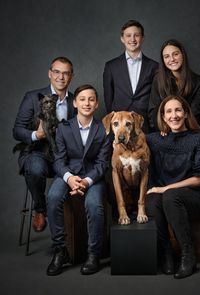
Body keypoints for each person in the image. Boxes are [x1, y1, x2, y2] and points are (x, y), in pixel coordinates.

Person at [146, 95, 200, 279]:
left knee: (169, 195)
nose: (173, 115)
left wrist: (164, 189)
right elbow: (131, 140)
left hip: (197, 200)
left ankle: (188, 255)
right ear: (162, 116)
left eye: (178, 110)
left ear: (185, 113)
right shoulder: (155, 140)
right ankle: (167, 254)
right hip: (166, 200)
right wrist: (116, 142)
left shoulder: (199, 139)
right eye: (168, 111)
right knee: (152, 199)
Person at [46, 84, 111, 276]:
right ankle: (60, 250)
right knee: (53, 197)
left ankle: (93, 253)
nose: (87, 103)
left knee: (94, 205)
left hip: (93, 177)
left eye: (91, 99)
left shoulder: (103, 130)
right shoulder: (64, 129)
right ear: (74, 103)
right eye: (82, 99)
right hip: (68, 174)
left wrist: (86, 181)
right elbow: (58, 160)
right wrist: (69, 178)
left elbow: (102, 163)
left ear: (97, 103)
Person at [13, 56, 75, 232]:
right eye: (56, 72)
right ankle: (40, 209)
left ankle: (71, 239)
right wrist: (36, 134)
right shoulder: (33, 97)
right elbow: (17, 130)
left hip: (64, 156)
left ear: (71, 76)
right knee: (35, 167)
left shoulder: (77, 101)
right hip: (37, 152)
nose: (61, 77)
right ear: (50, 73)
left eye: (65, 73)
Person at [103, 19, 158, 133]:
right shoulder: (111, 66)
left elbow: (156, 97)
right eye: (128, 35)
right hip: (120, 126)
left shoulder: (154, 66)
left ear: (142, 38)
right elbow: (108, 99)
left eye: (136, 35)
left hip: (145, 124)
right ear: (122, 39)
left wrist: (153, 123)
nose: (132, 39)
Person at [148, 39, 200, 131]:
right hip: (164, 130)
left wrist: (179, 129)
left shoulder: (199, 81)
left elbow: (195, 113)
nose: (172, 59)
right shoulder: (158, 80)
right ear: (163, 60)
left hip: (190, 130)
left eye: (175, 54)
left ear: (182, 55)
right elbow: (153, 111)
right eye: (166, 56)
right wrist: (163, 128)